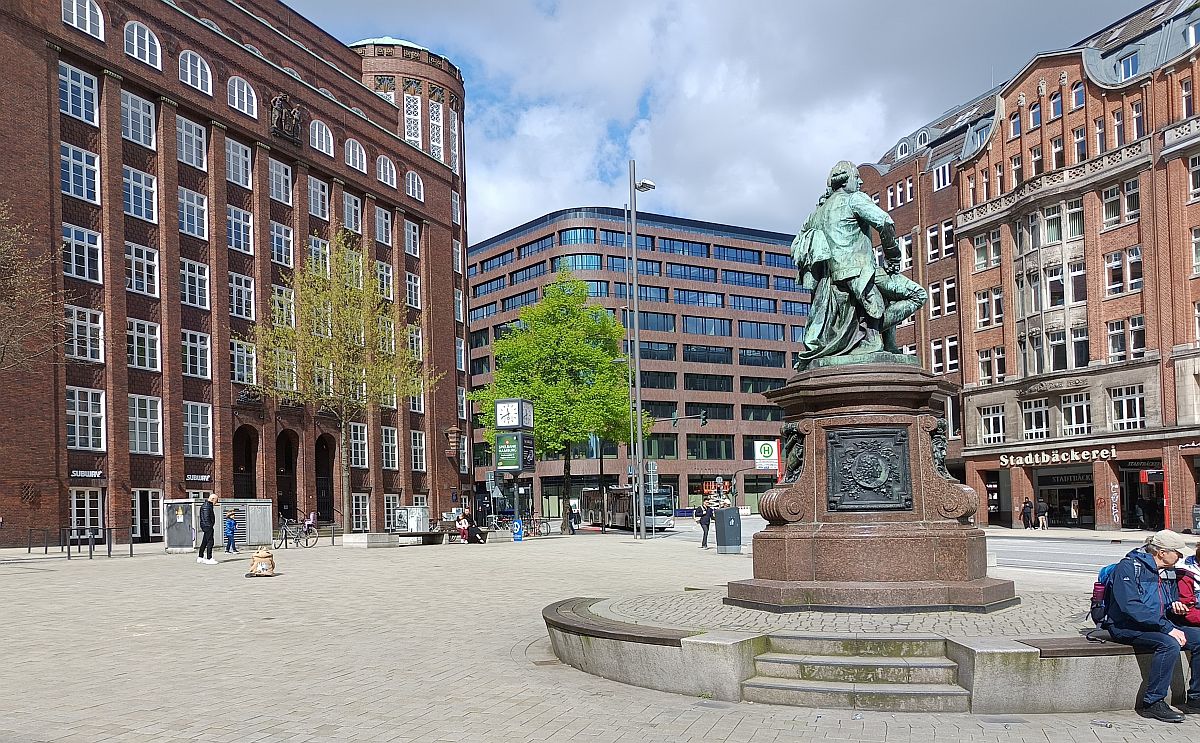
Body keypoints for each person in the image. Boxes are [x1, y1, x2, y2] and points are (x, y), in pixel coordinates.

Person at [791, 161, 927, 368]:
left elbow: (799, 249)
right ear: (845, 181)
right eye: (857, 177)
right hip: (860, 272)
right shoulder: (854, 199)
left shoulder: (815, 214)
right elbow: (885, 222)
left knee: (886, 297)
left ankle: (886, 345)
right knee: (918, 295)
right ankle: (871, 330)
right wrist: (893, 257)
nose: (861, 181)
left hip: (831, 282)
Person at [1105, 530, 1200, 722]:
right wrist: (1167, 628)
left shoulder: (1168, 572)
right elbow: (1131, 606)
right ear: (1162, 552)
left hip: (1158, 624)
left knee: (1198, 638)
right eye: (1177, 552)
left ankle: (1195, 698)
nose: (1181, 556)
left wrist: (1175, 608)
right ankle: (1153, 702)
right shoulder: (1129, 567)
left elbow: (1165, 603)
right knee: (1168, 644)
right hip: (1126, 626)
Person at [197, 494, 218, 565]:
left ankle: (200, 556)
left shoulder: (206, 505)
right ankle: (209, 558)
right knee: (210, 541)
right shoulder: (207, 506)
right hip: (208, 526)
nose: (216, 502)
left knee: (205, 541)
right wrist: (210, 525)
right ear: (212, 499)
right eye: (216, 500)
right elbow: (206, 517)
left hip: (206, 526)